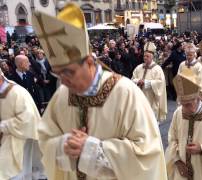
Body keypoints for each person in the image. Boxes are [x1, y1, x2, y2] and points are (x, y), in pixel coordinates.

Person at [32, 3, 167, 180]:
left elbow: (148, 153)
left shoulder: (125, 93)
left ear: (89, 62)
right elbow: (44, 139)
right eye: (57, 74)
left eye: (69, 72)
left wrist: (92, 149)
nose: (63, 80)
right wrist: (63, 145)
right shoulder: (62, 96)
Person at [0, 68, 40, 179]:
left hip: (18, 138)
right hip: (6, 139)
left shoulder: (17, 93)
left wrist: (3, 126)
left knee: (13, 172)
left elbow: (27, 118)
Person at [132, 42, 167, 122]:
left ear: (152, 57)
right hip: (139, 99)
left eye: (147, 56)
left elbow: (160, 83)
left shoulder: (157, 69)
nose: (145, 58)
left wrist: (146, 82)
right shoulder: (139, 67)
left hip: (151, 99)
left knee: (151, 122)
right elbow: (132, 79)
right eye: (144, 56)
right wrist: (138, 81)